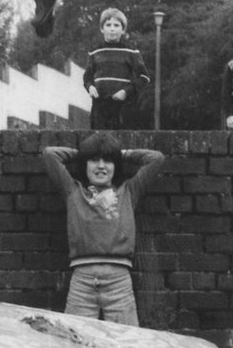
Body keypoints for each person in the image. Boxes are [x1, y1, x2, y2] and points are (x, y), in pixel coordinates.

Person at [42, 133, 164, 326]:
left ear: (116, 166)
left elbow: (156, 159)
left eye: (108, 161)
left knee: (127, 342)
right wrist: (83, 153)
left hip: (119, 282)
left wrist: (119, 153)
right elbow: (50, 155)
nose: (101, 166)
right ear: (85, 164)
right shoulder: (73, 191)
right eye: (94, 160)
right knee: (75, 343)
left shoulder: (129, 192)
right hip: (81, 282)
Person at [83, 8, 150, 131]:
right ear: (102, 29)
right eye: (108, 25)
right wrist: (90, 87)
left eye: (116, 25)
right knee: (99, 142)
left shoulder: (131, 51)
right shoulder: (95, 51)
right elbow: (87, 76)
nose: (112, 29)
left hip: (123, 107)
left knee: (121, 144)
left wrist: (126, 92)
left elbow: (144, 77)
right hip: (100, 106)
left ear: (123, 29)